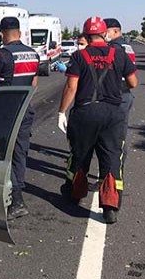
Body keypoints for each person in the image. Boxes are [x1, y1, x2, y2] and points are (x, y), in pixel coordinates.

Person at [56, 16, 138, 224]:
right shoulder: (118, 54)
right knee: (111, 157)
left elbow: (71, 87)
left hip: (85, 112)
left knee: (79, 155)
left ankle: (74, 194)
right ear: (104, 33)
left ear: (85, 35)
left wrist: (61, 111)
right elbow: (133, 82)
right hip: (113, 112)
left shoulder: (79, 56)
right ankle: (110, 205)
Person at [0, 17, 40, 220]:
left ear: (2, 33)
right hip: (25, 109)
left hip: (5, 111)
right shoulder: (33, 54)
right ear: (20, 33)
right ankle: (17, 194)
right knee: (20, 153)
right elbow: (34, 83)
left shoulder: (2, 54)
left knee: (4, 153)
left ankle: (15, 199)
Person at [104, 18, 135, 179]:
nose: (104, 34)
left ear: (115, 31)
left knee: (114, 138)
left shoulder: (114, 49)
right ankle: (114, 173)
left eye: (106, 31)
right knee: (118, 136)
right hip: (125, 94)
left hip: (117, 95)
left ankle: (113, 176)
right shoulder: (127, 47)